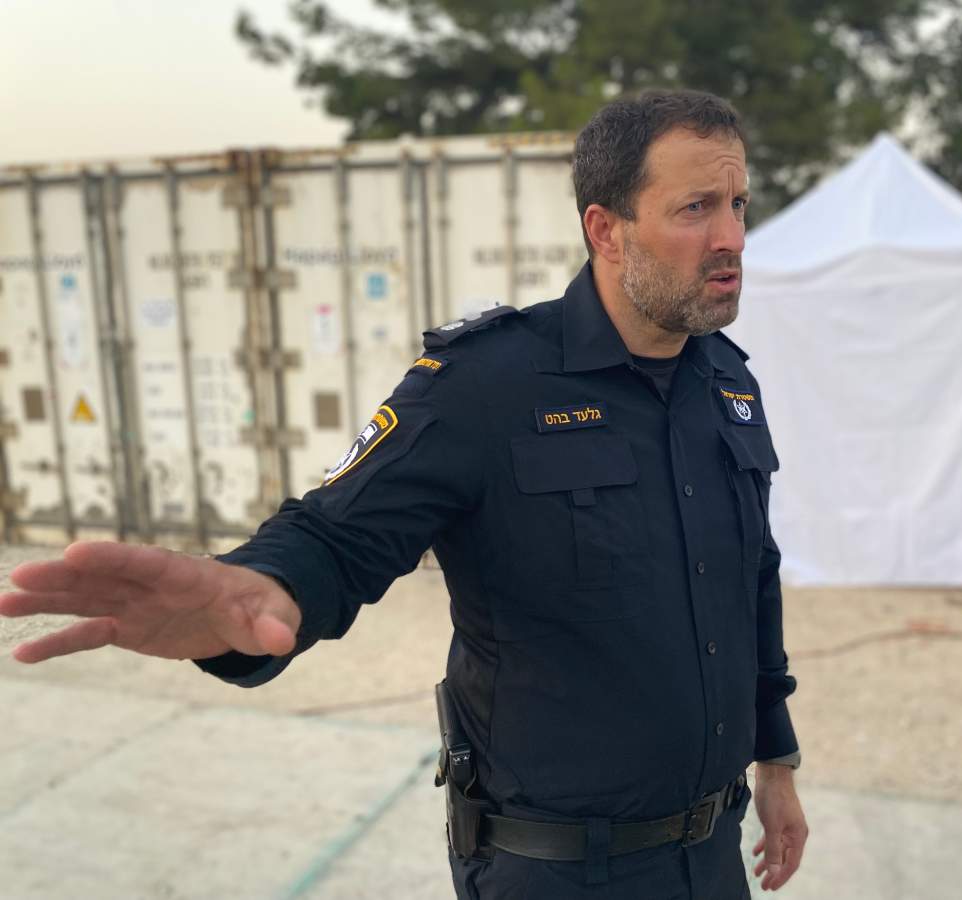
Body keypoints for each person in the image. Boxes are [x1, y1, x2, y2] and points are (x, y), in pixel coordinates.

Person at [0, 89, 808, 899]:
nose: (731, 237)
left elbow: (751, 581)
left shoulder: (727, 381)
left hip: (712, 855)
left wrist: (776, 758)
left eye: (739, 204)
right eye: (696, 208)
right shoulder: (485, 385)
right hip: (560, 872)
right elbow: (337, 534)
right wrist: (259, 589)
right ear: (606, 228)